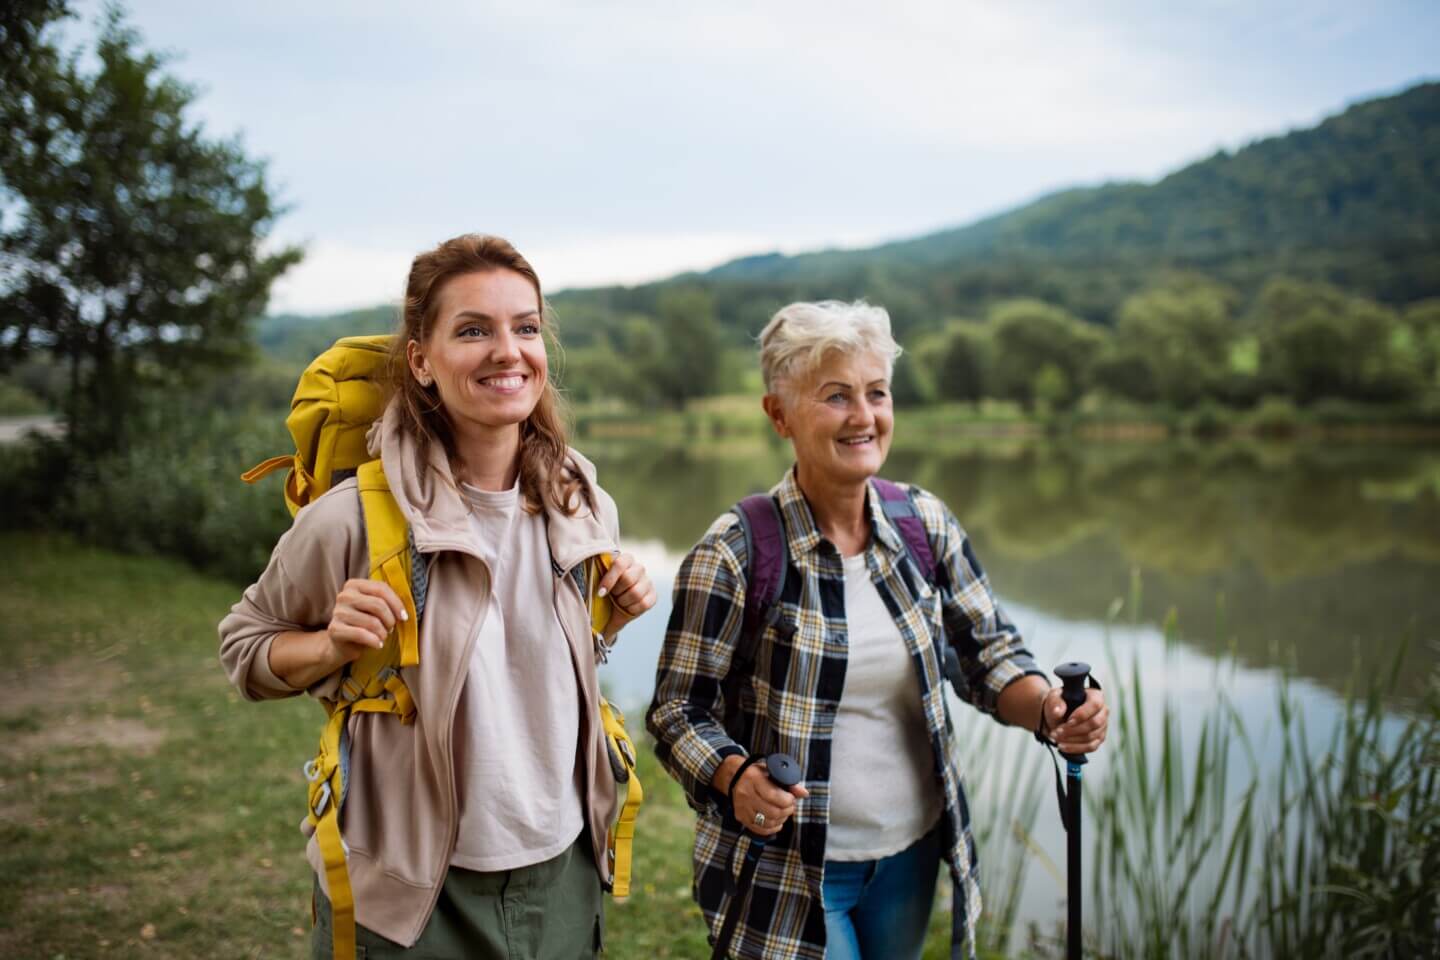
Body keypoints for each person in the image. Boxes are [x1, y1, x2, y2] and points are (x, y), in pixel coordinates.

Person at [219, 234, 657, 960]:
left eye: (525, 327)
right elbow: (245, 645)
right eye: (473, 330)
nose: (507, 350)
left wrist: (610, 616)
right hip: (413, 895)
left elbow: (535, 666)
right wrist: (330, 644)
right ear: (421, 360)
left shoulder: (584, 502)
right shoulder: (355, 516)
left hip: (565, 868)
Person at [646, 300, 1109, 960]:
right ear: (779, 414)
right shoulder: (735, 552)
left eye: (876, 393)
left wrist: (1051, 710)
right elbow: (676, 710)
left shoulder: (925, 524)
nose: (864, 417)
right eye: (836, 397)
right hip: (788, 871)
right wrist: (735, 775)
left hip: (909, 857)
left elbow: (989, 653)